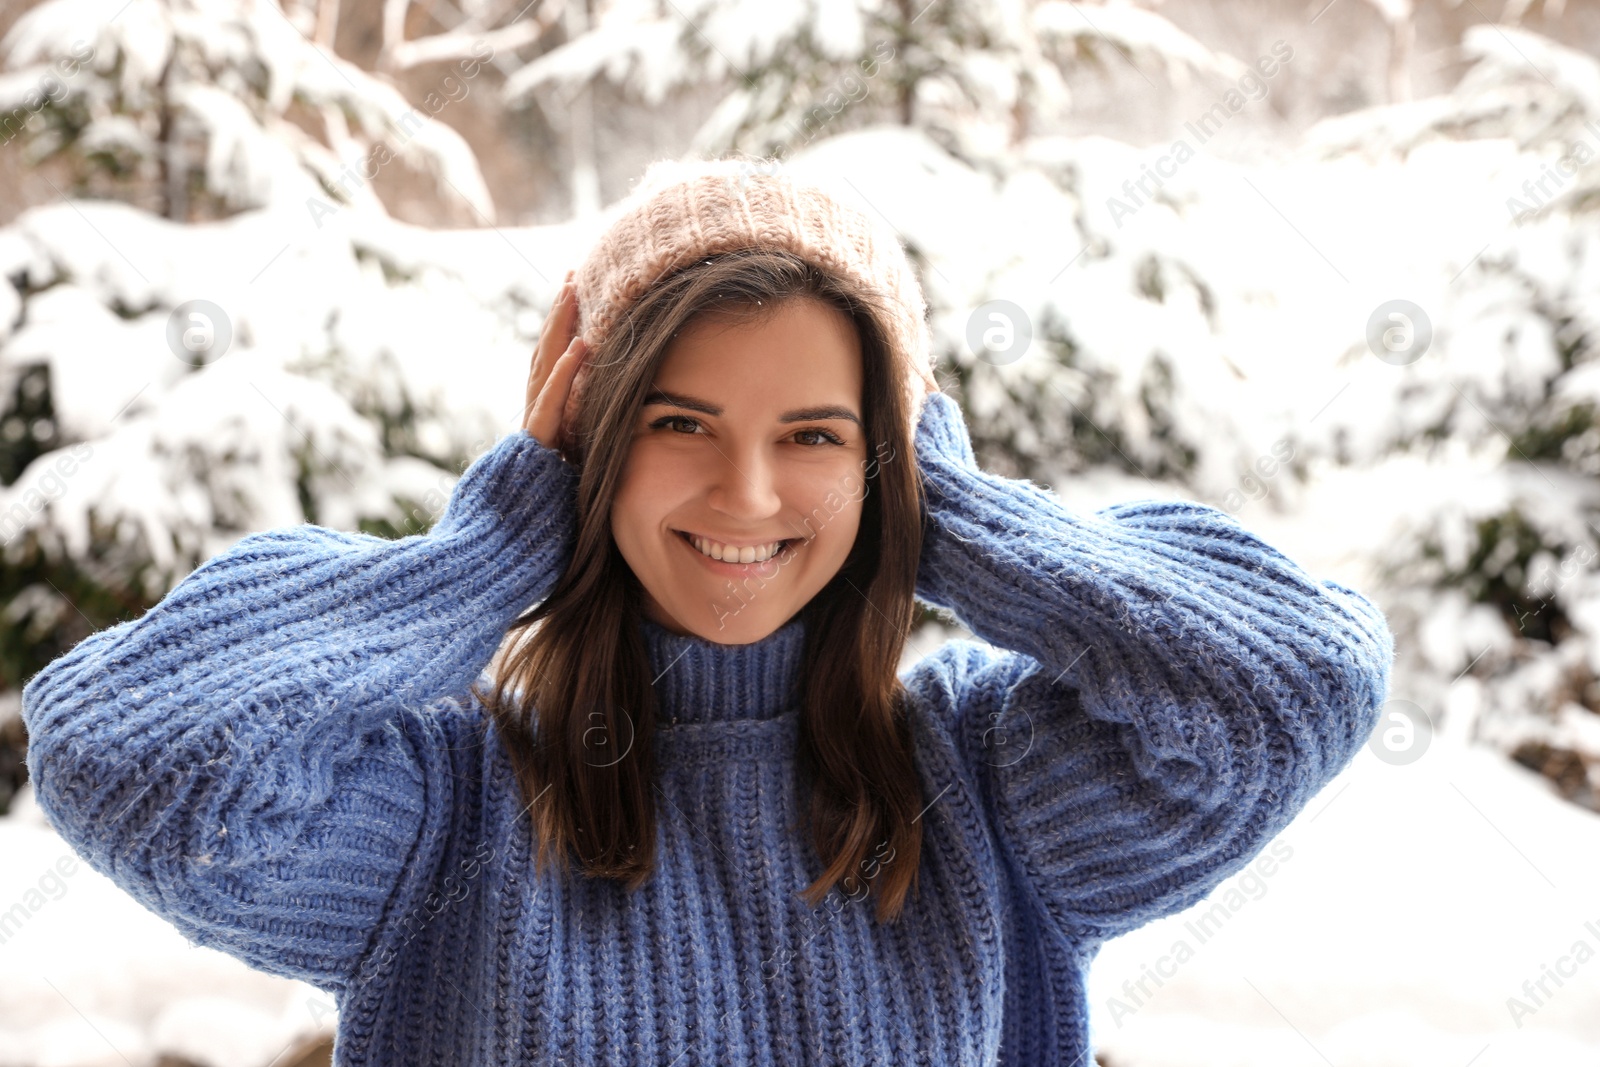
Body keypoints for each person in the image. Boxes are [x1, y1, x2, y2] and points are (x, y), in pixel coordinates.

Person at [21, 157, 1394, 1066]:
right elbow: (127, 755)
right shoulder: (448, 813)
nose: (745, 495)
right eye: (679, 422)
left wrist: (953, 517)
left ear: (889, 456)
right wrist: (496, 541)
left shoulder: (988, 788)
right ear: (590, 440)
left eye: (812, 433)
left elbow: (1299, 687)